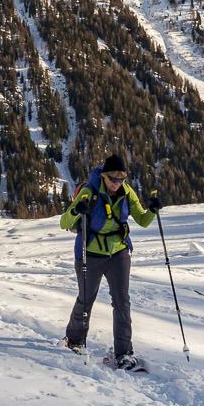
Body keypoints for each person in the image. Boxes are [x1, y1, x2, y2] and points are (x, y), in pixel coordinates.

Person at [60, 153, 162, 370]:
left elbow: (143, 220)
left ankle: (124, 353)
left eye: (121, 179)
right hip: (91, 253)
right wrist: (78, 210)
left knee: (122, 302)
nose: (117, 183)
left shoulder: (126, 192)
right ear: (104, 176)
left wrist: (152, 210)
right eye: (113, 179)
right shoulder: (89, 192)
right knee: (86, 299)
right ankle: (75, 340)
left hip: (119, 253)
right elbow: (64, 222)